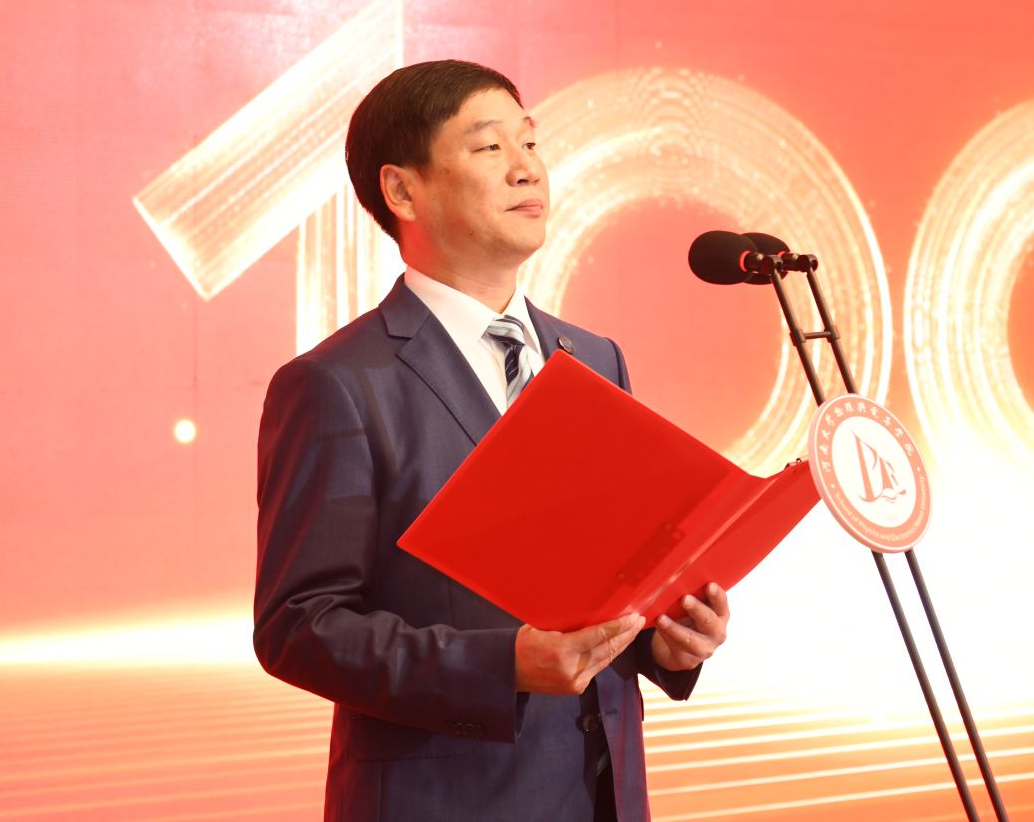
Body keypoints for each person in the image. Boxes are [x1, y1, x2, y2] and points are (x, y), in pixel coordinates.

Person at [254, 59, 731, 821]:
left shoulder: (594, 357)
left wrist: (662, 639)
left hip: (604, 797)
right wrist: (499, 663)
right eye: (488, 147)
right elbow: (299, 626)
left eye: (531, 142)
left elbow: (607, 574)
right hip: (443, 800)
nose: (526, 168)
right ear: (402, 190)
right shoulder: (338, 382)